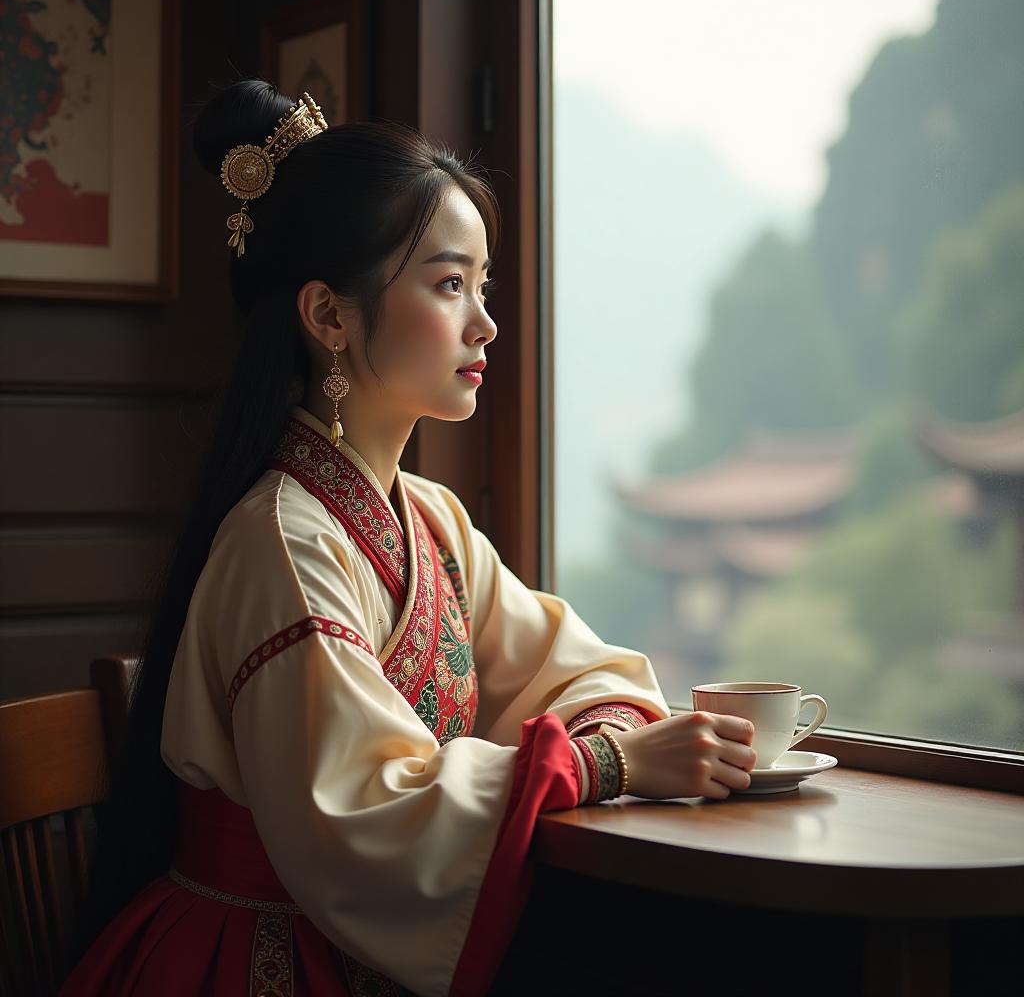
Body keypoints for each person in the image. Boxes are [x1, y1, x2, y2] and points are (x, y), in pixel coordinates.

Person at [59, 79, 758, 997]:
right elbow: (368, 812)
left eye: (482, 284)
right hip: (254, 957)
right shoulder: (284, 542)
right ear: (328, 316)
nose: (486, 322)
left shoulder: (428, 519)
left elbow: (582, 670)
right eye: (448, 284)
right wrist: (608, 760)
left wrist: (612, 729)